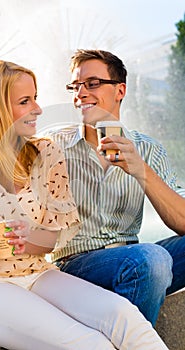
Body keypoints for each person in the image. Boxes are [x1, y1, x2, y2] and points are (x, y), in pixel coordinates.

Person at [0, 60, 169, 350]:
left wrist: (30, 238)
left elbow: (54, 239)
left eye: (36, 98)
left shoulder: (45, 151)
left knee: (125, 317)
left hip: (38, 274)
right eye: (25, 101)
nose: (38, 109)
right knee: (90, 344)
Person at [46, 49, 185, 327]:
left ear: (120, 90)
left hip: (133, 261)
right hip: (75, 267)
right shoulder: (52, 145)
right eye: (75, 86)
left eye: (92, 83)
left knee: (146, 261)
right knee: (150, 260)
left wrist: (141, 170)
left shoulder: (147, 149)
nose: (80, 93)